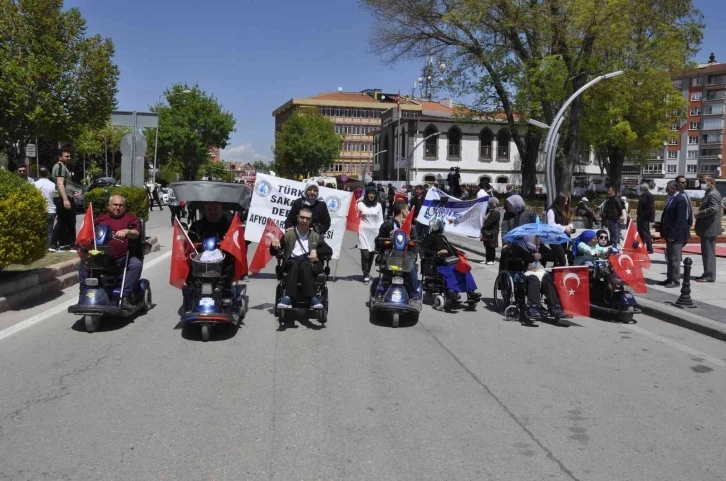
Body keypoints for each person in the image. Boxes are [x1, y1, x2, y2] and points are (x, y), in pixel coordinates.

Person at [77, 195, 142, 310]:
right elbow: (88, 232)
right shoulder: (100, 219)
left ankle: (125, 296)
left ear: (124, 207)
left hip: (122, 257)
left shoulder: (130, 219)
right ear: (109, 206)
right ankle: (83, 293)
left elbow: (136, 233)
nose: (118, 208)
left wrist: (127, 231)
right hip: (101, 256)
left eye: (121, 205)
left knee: (136, 264)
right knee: (83, 263)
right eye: (115, 205)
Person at [271, 207, 332, 310]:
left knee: (304, 264)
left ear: (311, 220)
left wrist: (316, 251)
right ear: (297, 218)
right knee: (295, 264)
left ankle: (312, 298)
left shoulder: (316, 235)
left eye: (307, 218)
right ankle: (288, 298)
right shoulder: (289, 235)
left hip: (309, 265)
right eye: (302, 217)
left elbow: (329, 250)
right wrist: (273, 245)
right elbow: (274, 252)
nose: (304, 220)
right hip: (292, 264)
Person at [421, 219, 481, 302]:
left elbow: (451, 248)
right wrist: (438, 252)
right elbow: (424, 249)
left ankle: (471, 291)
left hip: (449, 260)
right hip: (438, 262)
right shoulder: (430, 237)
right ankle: (451, 291)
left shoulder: (442, 237)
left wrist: (461, 253)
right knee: (452, 270)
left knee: (464, 268)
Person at [509, 235, 565, 321]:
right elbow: (512, 260)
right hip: (523, 272)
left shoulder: (540, 247)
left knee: (547, 279)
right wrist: (526, 265)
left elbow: (553, 256)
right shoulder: (519, 246)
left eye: (540, 237)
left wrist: (541, 255)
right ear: (530, 238)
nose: (540, 239)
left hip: (540, 271)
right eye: (537, 237)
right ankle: (533, 306)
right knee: (533, 279)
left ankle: (554, 306)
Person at [377, 201, 421, 305]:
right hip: (390, 256)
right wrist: (388, 238)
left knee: (412, 268)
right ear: (403, 211)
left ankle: (414, 296)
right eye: (407, 209)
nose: (409, 212)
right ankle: (381, 292)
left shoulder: (411, 227)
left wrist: (410, 242)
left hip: (406, 257)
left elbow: (416, 244)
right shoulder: (387, 226)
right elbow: (378, 242)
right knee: (386, 271)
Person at [660, 180, 690, 288]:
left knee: (675, 258)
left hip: (676, 235)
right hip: (669, 234)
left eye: (668, 187)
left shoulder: (680, 199)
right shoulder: (672, 198)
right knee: (670, 257)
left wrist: (672, 235)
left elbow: (679, 220)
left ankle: (675, 280)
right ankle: (669, 278)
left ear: (673, 188)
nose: (666, 189)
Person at [694, 175, 722, 282]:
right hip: (707, 228)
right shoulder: (709, 193)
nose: (702, 184)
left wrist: (699, 214)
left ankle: (709, 276)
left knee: (709, 253)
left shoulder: (713, 194)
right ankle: (706, 273)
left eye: (704, 182)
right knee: (706, 253)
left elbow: (714, 209)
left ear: (711, 183)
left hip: (709, 228)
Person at [52, 148, 80, 250]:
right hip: (63, 197)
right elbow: (60, 183)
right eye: (66, 156)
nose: (69, 158)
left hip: (67, 196)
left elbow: (66, 184)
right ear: (60, 157)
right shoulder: (60, 166)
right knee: (67, 221)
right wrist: (65, 199)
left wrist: (73, 192)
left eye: (69, 156)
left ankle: (63, 243)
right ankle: (68, 245)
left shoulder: (63, 167)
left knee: (66, 222)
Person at [357, 184, 384, 284]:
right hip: (363, 231)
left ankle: (367, 271)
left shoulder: (379, 206)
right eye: (369, 193)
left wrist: (381, 234)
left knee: (371, 254)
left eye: (373, 194)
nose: (371, 196)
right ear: (366, 194)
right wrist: (355, 201)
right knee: (365, 254)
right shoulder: (360, 205)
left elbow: (381, 221)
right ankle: (365, 274)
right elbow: (355, 217)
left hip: (374, 233)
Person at [542, 193, 573, 267]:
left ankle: (555, 274)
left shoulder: (565, 211)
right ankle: (542, 256)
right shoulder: (551, 211)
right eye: (564, 201)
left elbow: (570, 223)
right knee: (562, 259)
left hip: (563, 238)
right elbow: (551, 225)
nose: (566, 203)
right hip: (554, 239)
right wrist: (564, 228)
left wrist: (569, 227)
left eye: (567, 201)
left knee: (558, 258)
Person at [34, 167, 57, 251]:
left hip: (39, 210)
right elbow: (55, 198)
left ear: (39, 173)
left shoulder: (34, 184)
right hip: (51, 210)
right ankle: (48, 246)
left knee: (39, 229)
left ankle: (39, 246)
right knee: (49, 230)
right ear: (48, 173)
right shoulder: (53, 185)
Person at [480, 196, 500, 265]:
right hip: (487, 231)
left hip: (492, 232)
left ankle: (492, 260)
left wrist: (483, 227)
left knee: (491, 246)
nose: (489, 204)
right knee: (487, 246)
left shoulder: (496, 212)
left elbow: (490, 222)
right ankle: (487, 259)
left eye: (490, 202)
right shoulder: (490, 211)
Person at [636, 183, 655, 253]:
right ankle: (641, 247)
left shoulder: (649, 196)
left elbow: (650, 208)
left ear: (644, 188)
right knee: (640, 232)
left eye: (641, 188)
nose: (640, 190)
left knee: (646, 233)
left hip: (644, 217)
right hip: (640, 216)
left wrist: (647, 217)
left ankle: (650, 249)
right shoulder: (642, 195)